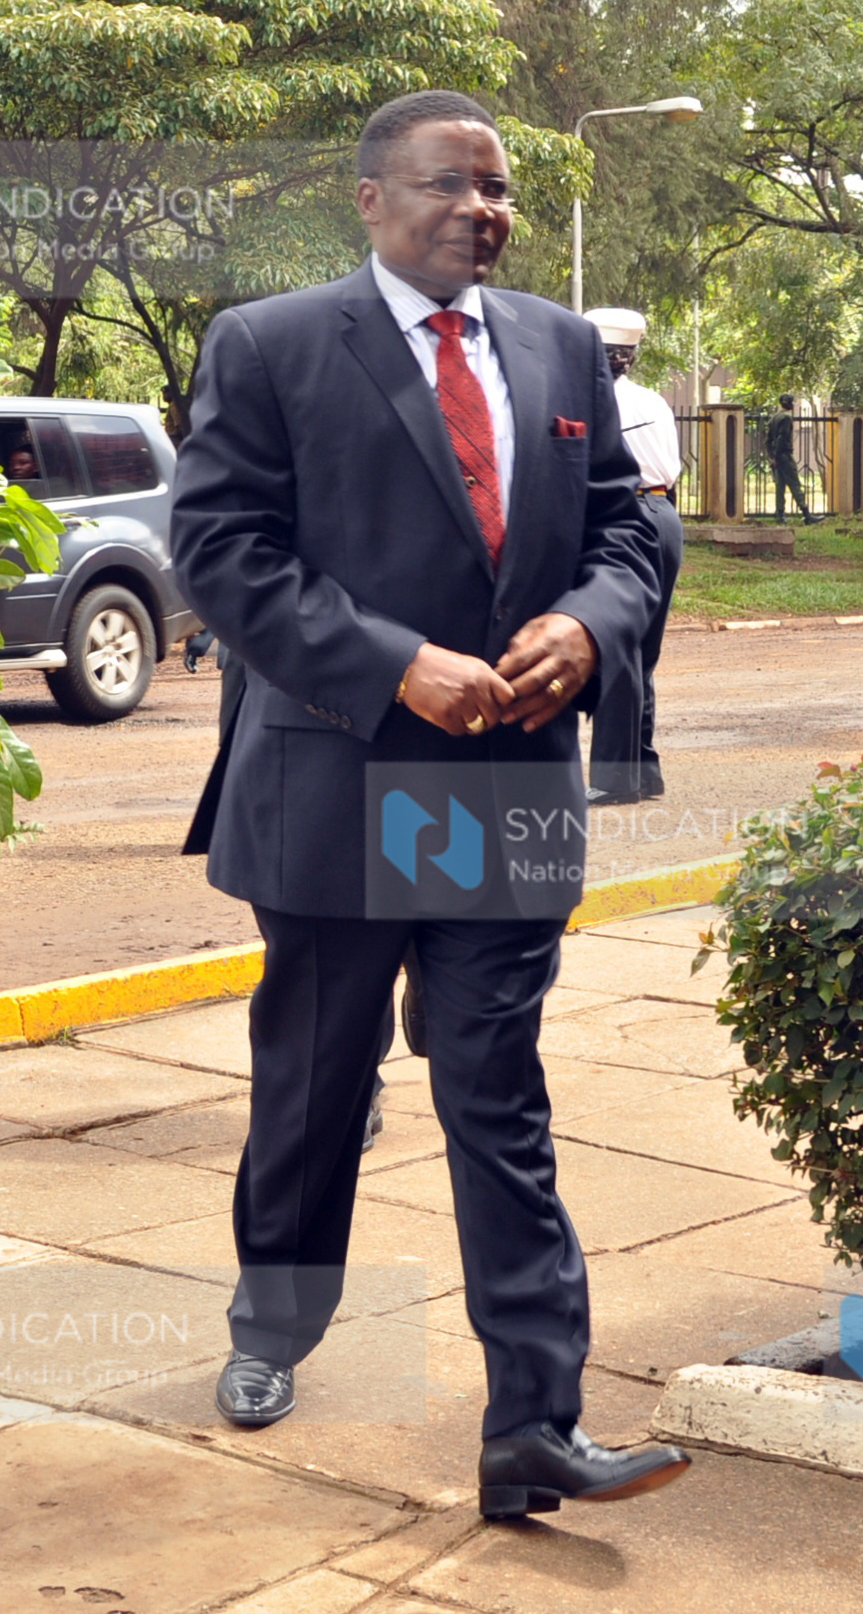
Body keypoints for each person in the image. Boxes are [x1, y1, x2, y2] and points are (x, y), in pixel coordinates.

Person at [168, 90, 684, 1517]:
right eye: (452, 185)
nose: (482, 210)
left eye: (497, 188)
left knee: (497, 1095)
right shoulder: (270, 344)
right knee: (316, 1087)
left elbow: (630, 529)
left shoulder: (559, 345)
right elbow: (221, 550)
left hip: (506, 788)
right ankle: (273, 1328)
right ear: (372, 198)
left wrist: (591, 624)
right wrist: (397, 665)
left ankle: (535, 1422)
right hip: (339, 782)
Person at [583, 307, 681, 806]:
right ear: (630, 356)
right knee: (643, 652)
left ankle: (615, 780)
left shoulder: (590, 400)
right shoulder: (653, 401)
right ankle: (644, 771)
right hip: (664, 515)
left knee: (617, 651)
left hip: (622, 519)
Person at [766, 393, 815, 523]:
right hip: (784, 456)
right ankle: (806, 514)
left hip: (776, 457)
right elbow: (782, 438)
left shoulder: (774, 418)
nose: (792, 405)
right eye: (791, 403)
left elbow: (768, 440)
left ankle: (780, 515)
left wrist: (772, 457)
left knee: (780, 486)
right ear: (789, 404)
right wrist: (777, 456)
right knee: (794, 484)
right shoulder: (786, 418)